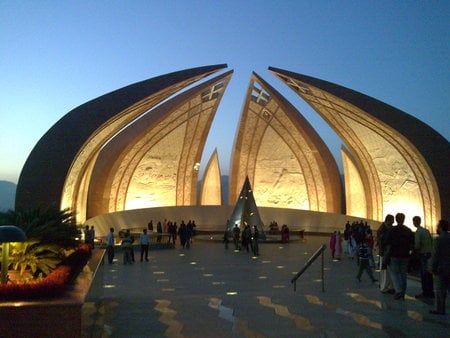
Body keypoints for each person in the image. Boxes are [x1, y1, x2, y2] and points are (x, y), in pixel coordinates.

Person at [385, 213, 414, 300]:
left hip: (395, 255)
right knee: (403, 274)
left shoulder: (392, 230)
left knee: (395, 274)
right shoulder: (408, 230)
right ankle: (402, 290)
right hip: (405, 255)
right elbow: (412, 243)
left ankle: (399, 290)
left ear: (396, 220)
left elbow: (388, 243)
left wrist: (387, 255)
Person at [429, 219, 450, 315]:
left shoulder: (438, 239)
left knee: (440, 290)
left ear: (440, 227)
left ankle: (440, 309)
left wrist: (432, 267)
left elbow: (435, 255)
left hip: (441, 268)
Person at [413, 216, 434, 300]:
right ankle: (431, 291)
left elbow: (417, 245)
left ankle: (425, 292)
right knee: (429, 273)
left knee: (424, 274)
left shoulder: (418, 232)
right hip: (429, 253)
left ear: (415, 222)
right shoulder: (426, 231)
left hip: (423, 254)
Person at [377, 214, 395, 294]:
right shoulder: (382, 229)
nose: (392, 222)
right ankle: (384, 287)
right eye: (391, 221)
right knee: (384, 270)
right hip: (384, 253)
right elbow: (383, 241)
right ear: (387, 221)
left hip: (390, 253)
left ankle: (390, 286)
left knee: (390, 271)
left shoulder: (389, 228)